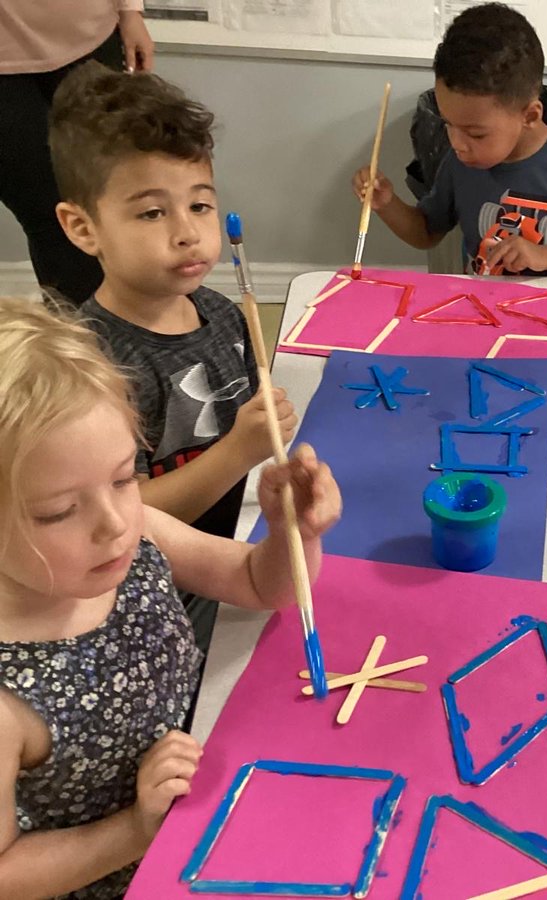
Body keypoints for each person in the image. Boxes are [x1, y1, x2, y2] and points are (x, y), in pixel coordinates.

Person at [0, 298, 341, 897]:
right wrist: (136, 830)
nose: (115, 523)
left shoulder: (138, 535)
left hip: (208, 781)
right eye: (58, 511)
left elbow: (256, 583)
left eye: (123, 478)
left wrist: (294, 532)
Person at [48, 61, 297, 655]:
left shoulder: (221, 310)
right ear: (83, 228)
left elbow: (251, 431)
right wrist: (239, 451)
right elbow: (121, 514)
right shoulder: (90, 364)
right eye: (152, 212)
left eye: (200, 206)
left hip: (243, 542)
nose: (187, 233)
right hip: (160, 587)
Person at [352, 2, 547, 277]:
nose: (457, 143)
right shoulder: (459, 163)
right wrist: (386, 203)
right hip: (485, 299)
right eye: (449, 124)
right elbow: (426, 232)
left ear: (530, 116)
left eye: (476, 133)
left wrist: (545, 256)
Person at [0, 0, 155, 305]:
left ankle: (140, 320)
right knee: (49, 214)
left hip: (90, 37)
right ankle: (79, 333)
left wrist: (130, 11)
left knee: (116, 191)